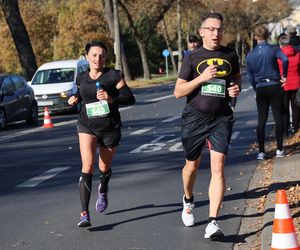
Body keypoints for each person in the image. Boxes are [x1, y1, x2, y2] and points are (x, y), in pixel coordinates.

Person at [174, 12, 241, 240]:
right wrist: (201, 79)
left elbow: (236, 78)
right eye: (211, 29)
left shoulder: (230, 54)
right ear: (202, 32)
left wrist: (235, 90)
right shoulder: (192, 58)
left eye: (220, 29)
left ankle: (213, 222)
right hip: (194, 118)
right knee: (191, 166)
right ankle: (188, 198)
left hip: (221, 118)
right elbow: (178, 92)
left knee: (218, 166)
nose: (216, 33)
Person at [68, 40, 135, 227]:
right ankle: (84, 213)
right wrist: (74, 98)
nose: (98, 58)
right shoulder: (81, 77)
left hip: (109, 128)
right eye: (94, 55)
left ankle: (103, 189)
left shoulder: (114, 76)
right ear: (87, 57)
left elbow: (130, 97)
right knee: (87, 166)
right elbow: (79, 93)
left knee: (104, 168)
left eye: (102, 55)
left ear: (106, 57)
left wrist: (111, 98)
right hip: (86, 125)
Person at [246, 25, 288, 160]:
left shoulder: (250, 55)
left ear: (255, 37)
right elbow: (285, 59)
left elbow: (250, 76)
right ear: (268, 35)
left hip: (261, 87)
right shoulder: (273, 49)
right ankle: (280, 149)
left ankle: (261, 152)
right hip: (275, 85)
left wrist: (255, 87)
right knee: (278, 117)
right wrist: (284, 76)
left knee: (261, 120)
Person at [277, 33, 300, 135]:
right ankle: (296, 128)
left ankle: (285, 129)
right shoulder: (297, 53)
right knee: (296, 108)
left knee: (284, 108)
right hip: (296, 83)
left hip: (283, 84)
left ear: (280, 44)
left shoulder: (278, 55)